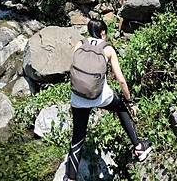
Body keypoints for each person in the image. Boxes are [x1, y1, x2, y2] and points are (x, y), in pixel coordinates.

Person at [64, 20, 152, 181]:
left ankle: (70, 178)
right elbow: (121, 80)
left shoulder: (79, 44)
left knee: (78, 137)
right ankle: (139, 147)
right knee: (121, 108)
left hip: (78, 96)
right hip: (99, 96)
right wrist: (130, 101)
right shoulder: (108, 48)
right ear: (103, 32)